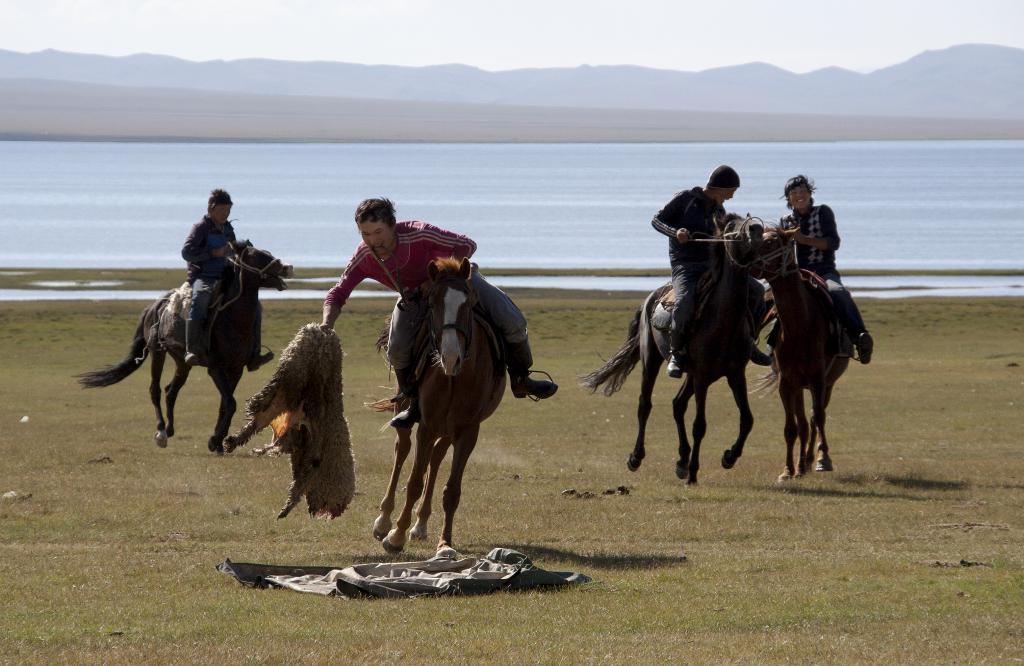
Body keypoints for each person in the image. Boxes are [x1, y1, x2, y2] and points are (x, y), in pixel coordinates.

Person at [321, 198, 558, 428]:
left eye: (378, 232)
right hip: (414, 300)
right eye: (365, 234)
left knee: (513, 320)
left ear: (393, 225)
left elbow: (467, 244)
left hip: (459, 283)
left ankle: (521, 378)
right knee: (397, 349)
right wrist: (326, 324)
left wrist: (439, 278)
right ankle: (411, 402)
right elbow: (337, 293)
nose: (373, 240)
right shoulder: (364, 256)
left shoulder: (420, 233)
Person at [651, 165, 771, 379]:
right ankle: (676, 353)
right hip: (685, 265)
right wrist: (675, 232)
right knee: (685, 302)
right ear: (721, 187)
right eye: (731, 192)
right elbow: (656, 220)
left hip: (712, 265)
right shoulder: (685, 199)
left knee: (755, 292)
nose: (731, 197)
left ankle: (749, 342)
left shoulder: (719, 211)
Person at [780, 174, 874, 364]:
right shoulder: (785, 221)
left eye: (803, 191)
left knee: (838, 292)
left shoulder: (822, 212)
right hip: (796, 275)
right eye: (794, 193)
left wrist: (804, 240)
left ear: (810, 194)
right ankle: (762, 346)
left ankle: (859, 336)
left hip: (823, 271)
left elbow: (833, 243)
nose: (799, 195)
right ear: (788, 198)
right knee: (769, 298)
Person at [181, 188, 274, 370]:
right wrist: (213, 253)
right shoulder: (200, 228)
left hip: (226, 274)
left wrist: (245, 249)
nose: (226, 214)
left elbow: (235, 251)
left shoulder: (228, 228)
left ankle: (254, 354)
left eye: (228, 210)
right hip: (203, 276)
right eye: (222, 210)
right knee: (200, 298)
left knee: (254, 305)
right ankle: (191, 349)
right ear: (211, 208)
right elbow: (186, 252)